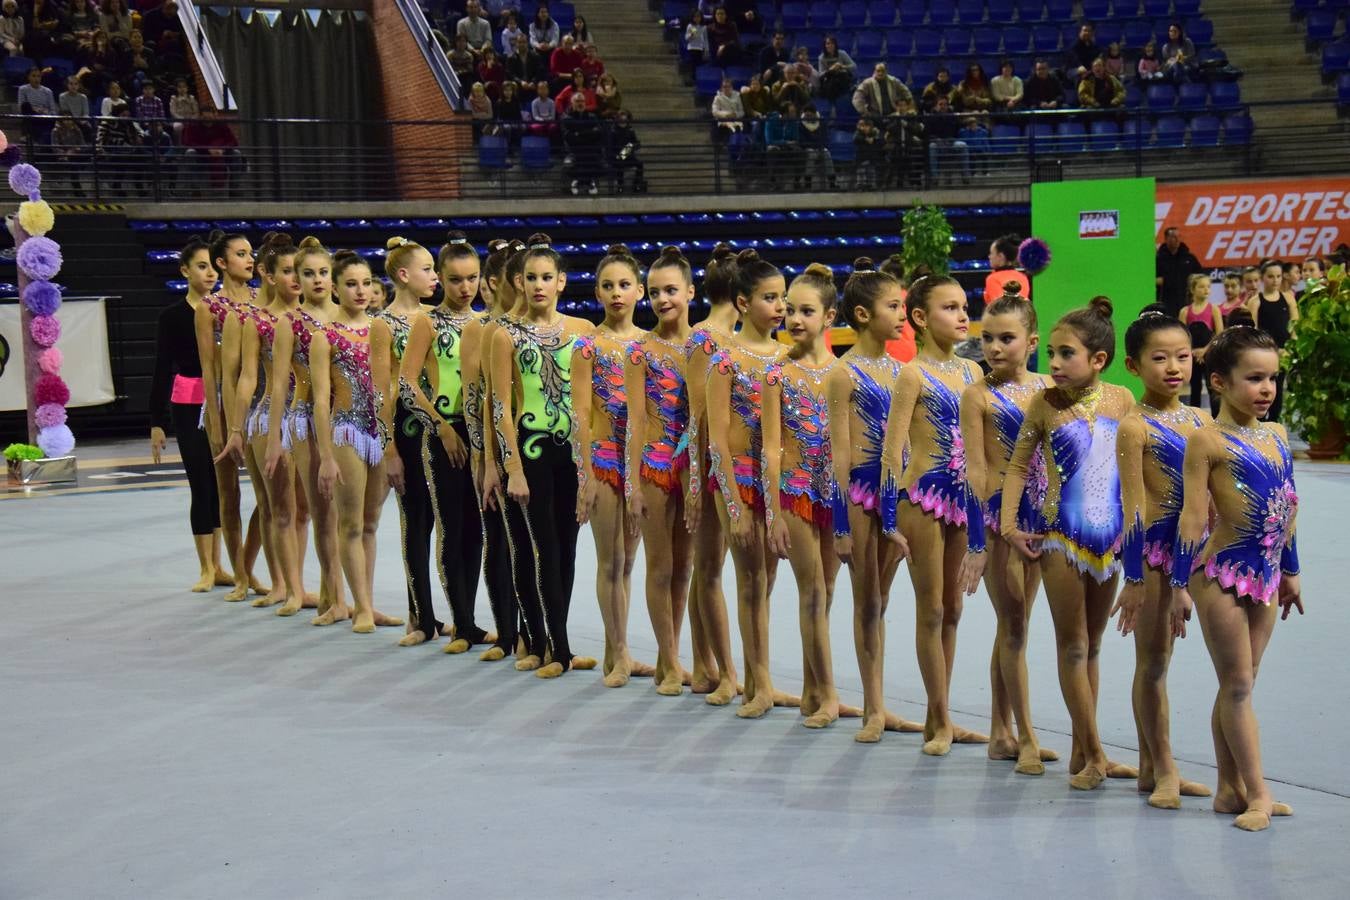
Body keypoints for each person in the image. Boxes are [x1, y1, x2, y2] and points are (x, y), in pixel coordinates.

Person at [1001, 297, 1138, 791]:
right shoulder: (1043, 405)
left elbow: (1138, 467)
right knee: (1073, 645)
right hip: (1060, 538)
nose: (1053, 364)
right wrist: (1010, 526)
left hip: (1110, 541)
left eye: (1066, 354)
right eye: (1051, 353)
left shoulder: (1123, 401)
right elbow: (1018, 466)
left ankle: (1083, 748)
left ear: (1098, 359)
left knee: (1095, 645)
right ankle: (1097, 752)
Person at [1171, 326, 1302, 832]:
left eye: (1272, 378)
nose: (1267, 388)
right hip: (1221, 574)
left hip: (1266, 576)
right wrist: (1179, 583)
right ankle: (1259, 793)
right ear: (1220, 382)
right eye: (1254, 378)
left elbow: (1288, 507)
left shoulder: (1276, 436)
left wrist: (1291, 570)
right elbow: (1191, 516)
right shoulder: (1207, 439)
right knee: (1240, 684)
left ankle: (1230, 790)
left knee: (1237, 686)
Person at [878, 274, 987, 756]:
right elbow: (891, 450)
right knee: (933, 609)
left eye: (965, 306)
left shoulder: (974, 375)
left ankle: (936, 715)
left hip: (963, 501)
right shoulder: (912, 375)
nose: (963, 315)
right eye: (951, 307)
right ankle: (941, 719)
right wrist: (887, 518)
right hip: (921, 499)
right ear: (919, 318)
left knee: (956, 608)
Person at [1114, 307, 1214, 810]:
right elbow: (1132, 508)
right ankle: (1164, 766)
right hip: (1152, 556)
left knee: (1166, 663)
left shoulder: (1202, 419)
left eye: (1182, 356)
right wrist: (1133, 578)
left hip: (1191, 556)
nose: (1173, 367)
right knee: (1152, 663)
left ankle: (1152, 768)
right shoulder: (1134, 428)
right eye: (1159, 358)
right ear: (1134, 367)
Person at [491, 234, 600, 678]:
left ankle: (546, 642)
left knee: (568, 550)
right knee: (542, 549)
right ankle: (554, 647)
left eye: (547, 277)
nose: (539, 285)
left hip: (569, 453)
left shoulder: (582, 331)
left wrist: (589, 469)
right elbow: (500, 406)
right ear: (518, 282)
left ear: (562, 281)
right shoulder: (505, 335)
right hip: (530, 448)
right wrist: (511, 467)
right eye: (531, 278)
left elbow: (588, 405)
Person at [958, 289, 1056, 774]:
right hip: (1000, 525)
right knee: (1013, 624)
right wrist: (978, 541)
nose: (994, 348)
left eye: (1007, 339)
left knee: (1015, 627)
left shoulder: (1048, 389)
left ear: (1032, 341)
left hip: (1042, 525)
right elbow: (973, 471)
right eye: (987, 338)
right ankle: (1028, 737)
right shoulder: (977, 395)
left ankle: (1002, 731)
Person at [828, 260, 924, 742]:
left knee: (882, 601)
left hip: (896, 496)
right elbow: (838, 456)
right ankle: (873, 707)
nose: (902, 315)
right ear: (864, 315)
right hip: (860, 496)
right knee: (867, 601)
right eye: (894, 307)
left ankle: (879, 704)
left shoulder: (903, 371)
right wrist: (840, 524)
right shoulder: (843, 374)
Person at [763, 264, 858, 729]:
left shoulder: (846, 374)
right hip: (795, 494)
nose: (794, 319)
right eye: (789, 310)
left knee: (830, 592)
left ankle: (810, 689)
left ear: (830, 315)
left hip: (835, 496)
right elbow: (769, 447)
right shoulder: (777, 374)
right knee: (813, 592)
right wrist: (772, 513)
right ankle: (830, 694)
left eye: (806, 311)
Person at [396, 233, 494, 651]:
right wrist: (441, 427)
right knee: (452, 529)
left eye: (472, 278)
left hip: (481, 434)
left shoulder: (488, 323)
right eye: (455, 279)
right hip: (445, 435)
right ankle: (462, 621)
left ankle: (469, 620)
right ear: (441, 278)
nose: (465, 287)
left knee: (478, 531)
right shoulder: (427, 322)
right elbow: (406, 383)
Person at [707, 249, 793, 719]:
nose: (779, 307)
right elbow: (717, 441)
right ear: (742, 303)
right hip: (736, 480)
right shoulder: (725, 361)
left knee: (770, 579)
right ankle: (755, 681)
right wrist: (735, 507)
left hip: (777, 483)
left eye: (782, 297)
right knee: (750, 579)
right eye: (769, 298)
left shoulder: (787, 357)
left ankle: (763, 679)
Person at [219, 234, 314, 617]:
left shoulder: (313, 317)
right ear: (271, 276)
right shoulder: (255, 320)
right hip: (269, 414)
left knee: (306, 510)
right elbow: (244, 377)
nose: (295, 278)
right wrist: (236, 428)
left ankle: (298, 585)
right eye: (288, 271)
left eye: (299, 271)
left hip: (307, 416)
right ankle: (285, 586)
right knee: (278, 507)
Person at [621, 247, 701, 693]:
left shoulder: (703, 348)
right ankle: (669, 663)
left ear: (690, 291)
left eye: (671, 290)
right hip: (653, 467)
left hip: (691, 469)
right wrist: (632, 483)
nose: (662, 299)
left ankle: (668, 652)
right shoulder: (640, 351)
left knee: (685, 567)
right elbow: (634, 420)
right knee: (660, 566)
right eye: (654, 292)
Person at [313, 251, 405, 635]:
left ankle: (368, 602)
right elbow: (319, 399)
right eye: (351, 284)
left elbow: (397, 383)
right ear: (336, 288)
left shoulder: (383, 329)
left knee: (371, 523)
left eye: (366, 283)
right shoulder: (325, 336)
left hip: (380, 432)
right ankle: (360, 606)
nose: (361, 290)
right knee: (349, 523)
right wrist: (324, 456)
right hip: (347, 430)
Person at [572, 246, 649, 687]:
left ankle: (613, 649)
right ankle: (620, 653)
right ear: (597, 292)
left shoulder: (648, 345)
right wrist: (584, 473)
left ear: (639, 290)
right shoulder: (589, 346)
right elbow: (580, 413)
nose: (617, 294)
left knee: (629, 563)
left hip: (638, 464)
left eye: (624, 285)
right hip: (602, 459)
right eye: (608, 286)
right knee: (610, 560)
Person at [265, 237, 346, 625]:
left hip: (349, 421)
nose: (317, 280)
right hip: (307, 421)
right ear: (297, 279)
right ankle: (334, 598)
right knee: (322, 511)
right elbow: (279, 383)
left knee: (351, 516)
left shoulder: (349, 316)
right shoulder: (289, 324)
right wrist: (274, 438)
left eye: (323, 273)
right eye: (308, 274)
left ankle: (350, 598)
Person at [373, 237, 449, 648]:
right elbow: (384, 389)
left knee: (448, 524)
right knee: (416, 521)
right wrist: (389, 449)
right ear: (404, 275)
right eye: (428, 269)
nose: (435, 276)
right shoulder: (383, 325)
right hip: (405, 427)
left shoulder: (435, 318)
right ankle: (419, 616)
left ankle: (453, 611)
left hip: (439, 425)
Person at [149, 237, 229, 593]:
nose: (210, 272)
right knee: (201, 481)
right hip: (188, 403)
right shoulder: (172, 316)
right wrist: (156, 422)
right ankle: (206, 567)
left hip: (224, 403)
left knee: (221, 486)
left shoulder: (228, 313)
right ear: (184, 271)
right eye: (201, 266)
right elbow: (161, 368)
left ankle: (222, 564)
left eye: (214, 265)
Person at [683, 244, 743, 704]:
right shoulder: (704, 339)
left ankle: (709, 665)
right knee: (708, 568)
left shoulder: (743, 341)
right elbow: (698, 417)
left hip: (733, 465)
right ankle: (721, 671)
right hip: (704, 463)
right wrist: (695, 483)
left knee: (714, 568)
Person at [195, 231, 267, 604]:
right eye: (241, 254)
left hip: (261, 403)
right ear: (221, 263)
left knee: (267, 494)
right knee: (228, 492)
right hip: (223, 403)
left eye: (250, 253)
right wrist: (216, 421)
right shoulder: (210, 307)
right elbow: (208, 369)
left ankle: (249, 564)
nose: (249, 259)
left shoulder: (260, 299)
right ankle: (240, 575)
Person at [1245, 260, 1299, 423]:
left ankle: (1274, 422)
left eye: (1278, 276)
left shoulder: (1288, 299)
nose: (1275, 280)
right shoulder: (1256, 301)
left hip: (1284, 352)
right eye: (1270, 276)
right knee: (1262, 387)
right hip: (1264, 353)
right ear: (1262, 278)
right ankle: (1259, 421)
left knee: (1278, 389)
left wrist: (1290, 348)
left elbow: (1294, 326)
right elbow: (1252, 329)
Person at [1179, 274, 1224, 411]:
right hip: (1193, 356)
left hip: (1208, 355)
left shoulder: (1214, 309)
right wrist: (1190, 351)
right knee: (1195, 388)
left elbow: (1220, 333)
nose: (1206, 290)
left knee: (1213, 388)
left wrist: (1205, 350)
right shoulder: (1185, 311)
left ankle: (1217, 420)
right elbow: (1181, 335)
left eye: (1208, 287)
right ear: (1193, 289)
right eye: (1202, 287)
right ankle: (1195, 420)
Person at [1155, 227, 1203, 315]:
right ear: (1166, 239)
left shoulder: (1189, 258)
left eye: (1178, 236)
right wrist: (1159, 281)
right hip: (1166, 303)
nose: (1177, 239)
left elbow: (1201, 276)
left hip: (1186, 303)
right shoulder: (1158, 259)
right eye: (1173, 236)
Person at [563, 93, 603, 194]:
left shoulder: (592, 116)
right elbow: (569, 137)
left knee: (596, 159)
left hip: (589, 149)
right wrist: (589, 132)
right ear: (572, 103)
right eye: (577, 101)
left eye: (582, 101)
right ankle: (588, 181)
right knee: (580, 157)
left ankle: (580, 181)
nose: (580, 104)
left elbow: (598, 133)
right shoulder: (566, 117)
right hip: (573, 150)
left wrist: (579, 133)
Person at [925, 95, 970, 185]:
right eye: (940, 104)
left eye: (945, 104)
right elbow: (927, 134)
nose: (943, 106)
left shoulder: (952, 116)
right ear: (936, 106)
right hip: (938, 144)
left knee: (963, 145)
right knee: (931, 147)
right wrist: (936, 140)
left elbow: (958, 130)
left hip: (951, 142)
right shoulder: (930, 117)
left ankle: (966, 176)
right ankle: (935, 178)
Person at [763, 104, 803, 189]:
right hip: (775, 147)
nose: (795, 114)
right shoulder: (771, 121)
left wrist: (787, 144)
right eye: (792, 112)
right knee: (772, 151)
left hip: (788, 148)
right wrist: (785, 142)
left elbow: (796, 138)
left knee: (800, 152)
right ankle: (773, 182)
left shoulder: (793, 122)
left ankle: (797, 180)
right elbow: (769, 140)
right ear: (785, 114)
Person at [798, 104, 835, 190]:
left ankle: (832, 181)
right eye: (806, 115)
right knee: (811, 154)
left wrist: (819, 146)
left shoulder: (821, 122)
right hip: (807, 148)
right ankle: (808, 182)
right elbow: (802, 140)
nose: (808, 117)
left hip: (820, 147)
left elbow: (824, 137)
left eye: (810, 115)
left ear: (814, 114)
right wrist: (813, 145)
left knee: (827, 153)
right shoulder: (801, 124)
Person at [607, 110, 645, 193]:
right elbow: (610, 146)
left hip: (628, 155)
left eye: (625, 119)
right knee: (619, 163)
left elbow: (635, 142)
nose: (623, 121)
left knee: (639, 164)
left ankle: (637, 184)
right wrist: (621, 153)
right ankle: (620, 185)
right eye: (621, 119)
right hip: (616, 156)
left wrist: (633, 146)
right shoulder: (613, 130)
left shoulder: (630, 130)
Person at [817, 34, 856, 102]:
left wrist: (842, 66)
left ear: (835, 45)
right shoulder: (821, 57)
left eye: (832, 43)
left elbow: (854, 66)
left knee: (842, 76)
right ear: (825, 46)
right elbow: (820, 75)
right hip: (830, 78)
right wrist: (830, 69)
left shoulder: (842, 53)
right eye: (828, 44)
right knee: (830, 85)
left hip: (842, 77)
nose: (830, 46)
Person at [853, 116, 884, 190]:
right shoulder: (858, 133)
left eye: (867, 126)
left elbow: (881, 141)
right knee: (861, 172)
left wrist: (874, 138)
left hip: (872, 158)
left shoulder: (875, 133)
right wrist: (865, 138)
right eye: (863, 126)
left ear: (870, 127)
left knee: (871, 172)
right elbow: (855, 139)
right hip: (861, 158)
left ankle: (872, 185)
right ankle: (861, 185)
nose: (865, 128)